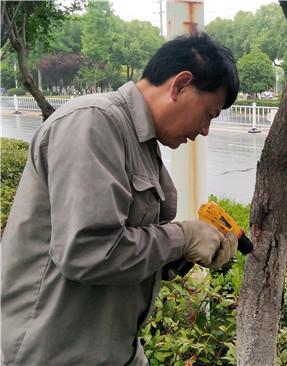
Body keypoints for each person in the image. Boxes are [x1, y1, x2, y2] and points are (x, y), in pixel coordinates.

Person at [1, 33, 240, 365]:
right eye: (209, 114)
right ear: (180, 85)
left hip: (114, 348)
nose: (205, 131)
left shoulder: (142, 143)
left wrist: (186, 254)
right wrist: (181, 237)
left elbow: (129, 250)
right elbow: (88, 251)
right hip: (55, 351)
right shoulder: (92, 123)